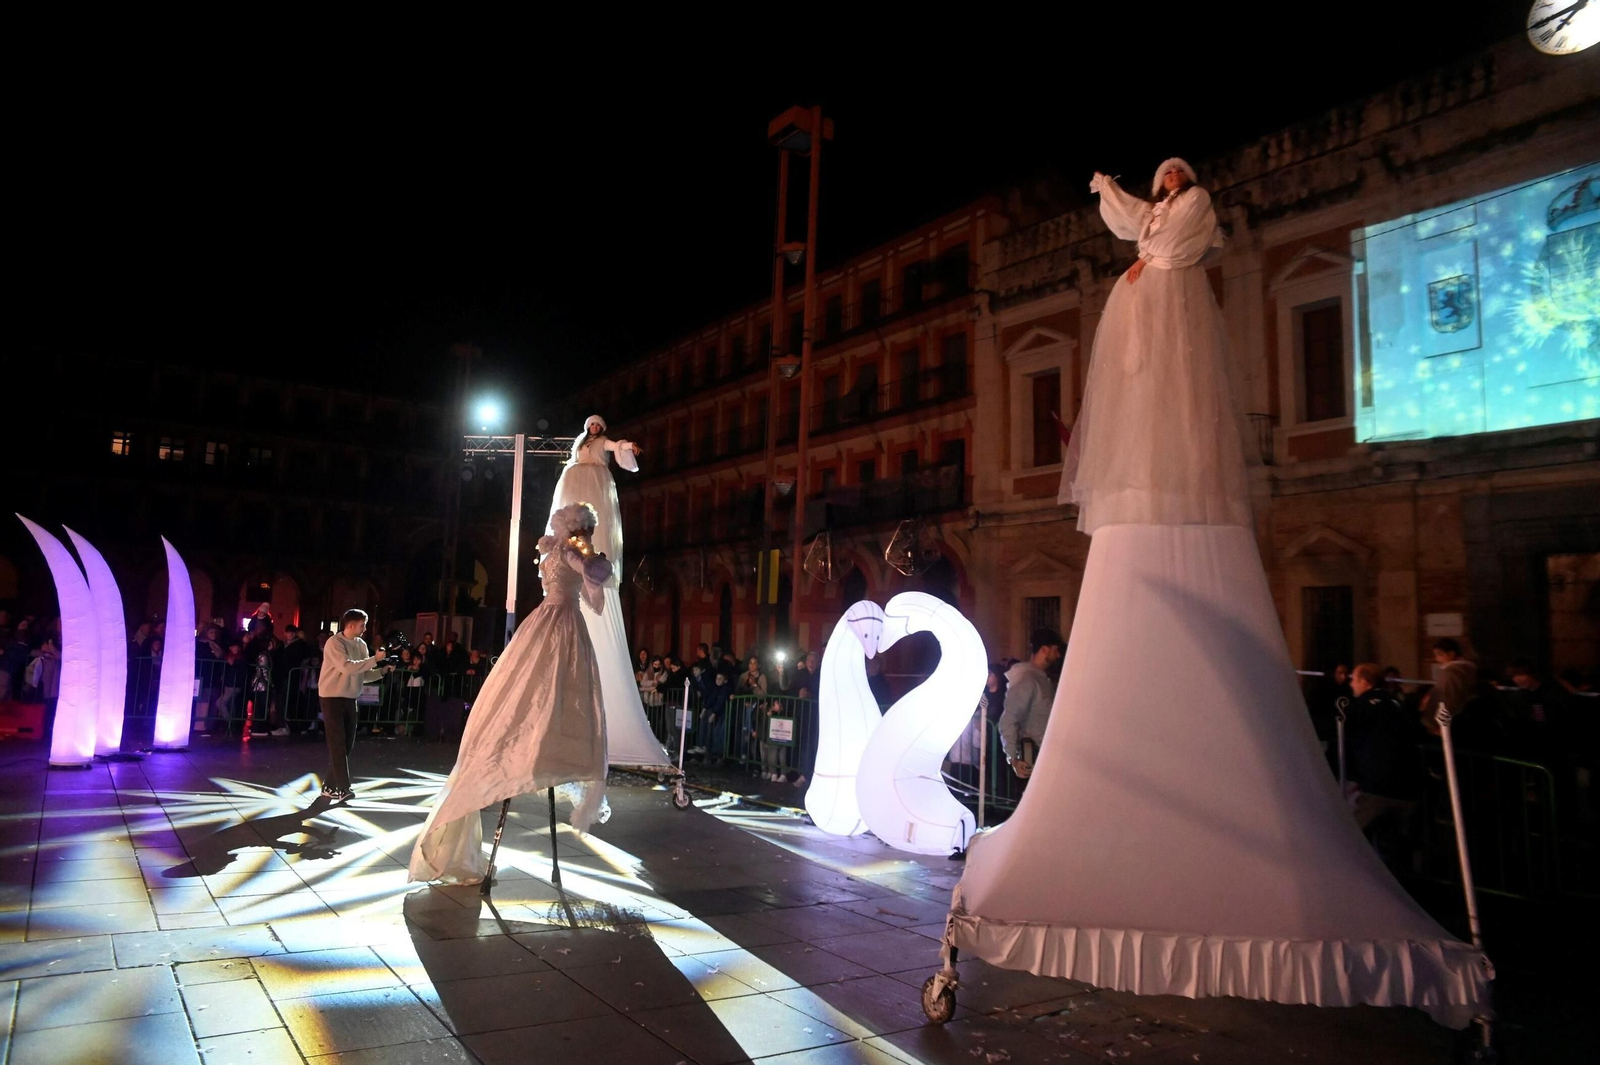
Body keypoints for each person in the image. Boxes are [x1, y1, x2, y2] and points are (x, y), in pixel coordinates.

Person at [409, 503, 612, 884]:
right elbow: (594, 587)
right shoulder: (570, 552)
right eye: (585, 529)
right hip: (561, 624)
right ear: (577, 529)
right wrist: (595, 562)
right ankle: (539, 747)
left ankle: (536, 743)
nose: (587, 536)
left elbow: (589, 589)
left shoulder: (552, 551)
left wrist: (592, 564)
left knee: (530, 687)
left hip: (544, 620)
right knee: (551, 686)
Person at [546, 414, 666, 770]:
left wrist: (628, 447)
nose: (596, 430)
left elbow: (616, 446)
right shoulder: (580, 449)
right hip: (558, 603)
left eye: (599, 426)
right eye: (592, 426)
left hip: (567, 597)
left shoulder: (600, 447)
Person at [1343, 663, 1424, 875]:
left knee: (1351, 837)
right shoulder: (1397, 704)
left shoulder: (1360, 708)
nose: (1351, 684)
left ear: (1365, 682)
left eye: (1354, 679)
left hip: (1376, 786)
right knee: (1394, 844)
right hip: (1408, 787)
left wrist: (1352, 775)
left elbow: (1347, 739)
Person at [317, 609, 391, 802]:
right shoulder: (335, 643)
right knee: (337, 743)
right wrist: (375, 659)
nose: (365, 629)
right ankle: (343, 788)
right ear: (350, 625)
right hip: (332, 697)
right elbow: (347, 667)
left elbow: (363, 674)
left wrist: (382, 671)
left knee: (347, 744)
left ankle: (329, 786)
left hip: (350, 698)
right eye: (362, 625)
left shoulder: (361, 644)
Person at [998, 629, 1065, 779]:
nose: (1058, 656)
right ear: (1044, 650)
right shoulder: (1027, 679)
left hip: (1041, 758)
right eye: (1055, 650)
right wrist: (1013, 759)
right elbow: (1009, 719)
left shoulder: (1041, 679)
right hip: (1031, 761)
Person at [1421, 637, 1480, 740]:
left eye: (1440, 655)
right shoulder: (1467, 672)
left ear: (1451, 654)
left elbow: (1447, 699)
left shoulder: (1451, 673)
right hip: (1465, 722)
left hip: (1447, 725)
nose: (1437, 659)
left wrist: (1437, 723)